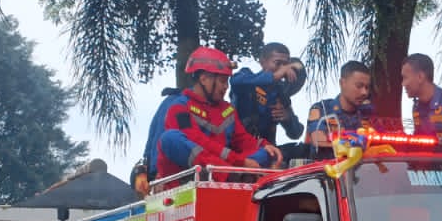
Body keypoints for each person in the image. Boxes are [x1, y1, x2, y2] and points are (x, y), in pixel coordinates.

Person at [145, 46, 283, 179]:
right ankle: (233, 175)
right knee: (170, 138)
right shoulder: (180, 107)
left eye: (227, 81)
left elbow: (242, 140)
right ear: (204, 79)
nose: (226, 87)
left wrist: (264, 145)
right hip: (189, 175)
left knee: (265, 154)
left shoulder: (227, 110)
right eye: (223, 81)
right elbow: (199, 141)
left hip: (225, 168)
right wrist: (239, 162)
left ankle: (236, 175)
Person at [230, 42, 307, 146]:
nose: (283, 68)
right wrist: (274, 76)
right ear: (262, 62)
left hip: (267, 149)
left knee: (305, 149)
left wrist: (288, 118)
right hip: (239, 147)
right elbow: (235, 81)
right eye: (277, 63)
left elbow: (296, 133)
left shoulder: (280, 94)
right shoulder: (246, 77)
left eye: (286, 64)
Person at [304, 60, 376, 155]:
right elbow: (319, 142)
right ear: (342, 83)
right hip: (328, 168)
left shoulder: (367, 113)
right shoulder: (322, 109)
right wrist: (357, 144)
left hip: (362, 169)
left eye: (367, 87)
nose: (364, 92)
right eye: (359, 86)